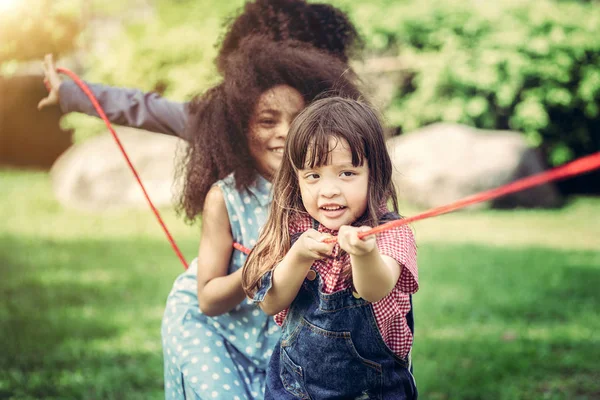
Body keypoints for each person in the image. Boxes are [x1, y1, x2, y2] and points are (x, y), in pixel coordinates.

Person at [162, 37, 363, 400]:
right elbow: (207, 300)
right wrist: (264, 265)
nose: (284, 132)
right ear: (239, 129)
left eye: (297, 119)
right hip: (213, 333)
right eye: (267, 121)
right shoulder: (225, 196)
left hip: (281, 342)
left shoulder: (322, 192)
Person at [242, 97, 419, 399]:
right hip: (293, 390)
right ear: (297, 179)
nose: (329, 189)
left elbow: (376, 289)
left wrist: (364, 254)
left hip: (373, 392)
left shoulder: (390, 232)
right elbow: (270, 304)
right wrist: (298, 257)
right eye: (313, 176)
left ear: (373, 173)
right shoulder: (293, 228)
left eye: (347, 173)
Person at [36, 0, 361, 140]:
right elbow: (144, 108)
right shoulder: (221, 121)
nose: (283, 131)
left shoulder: (340, 128)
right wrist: (70, 92)